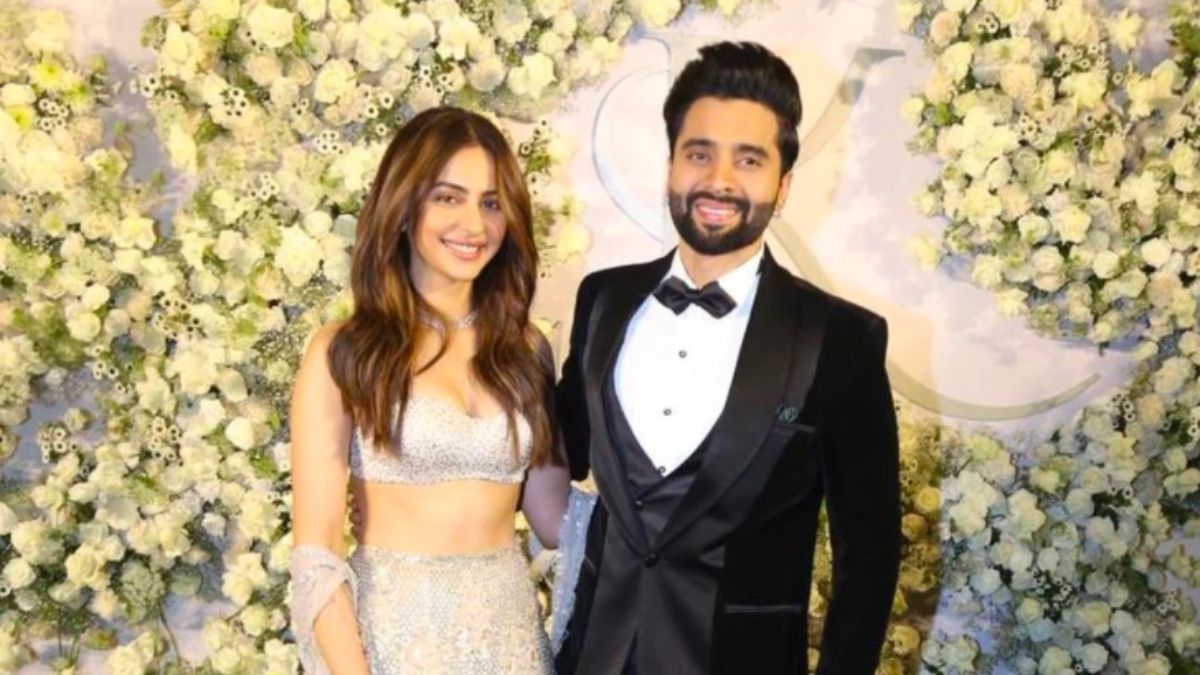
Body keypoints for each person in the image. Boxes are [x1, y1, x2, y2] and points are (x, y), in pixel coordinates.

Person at [552, 42, 901, 675]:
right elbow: (558, 453)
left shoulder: (841, 338)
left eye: (749, 160)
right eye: (699, 153)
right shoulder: (602, 300)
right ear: (670, 167)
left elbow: (869, 556)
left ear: (783, 186)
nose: (719, 180)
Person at [288, 106, 570, 674]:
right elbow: (317, 556)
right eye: (448, 197)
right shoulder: (345, 352)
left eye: (491, 203)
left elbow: (556, 520)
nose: (474, 225)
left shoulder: (526, 349)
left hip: (511, 648)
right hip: (395, 648)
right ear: (403, 205)